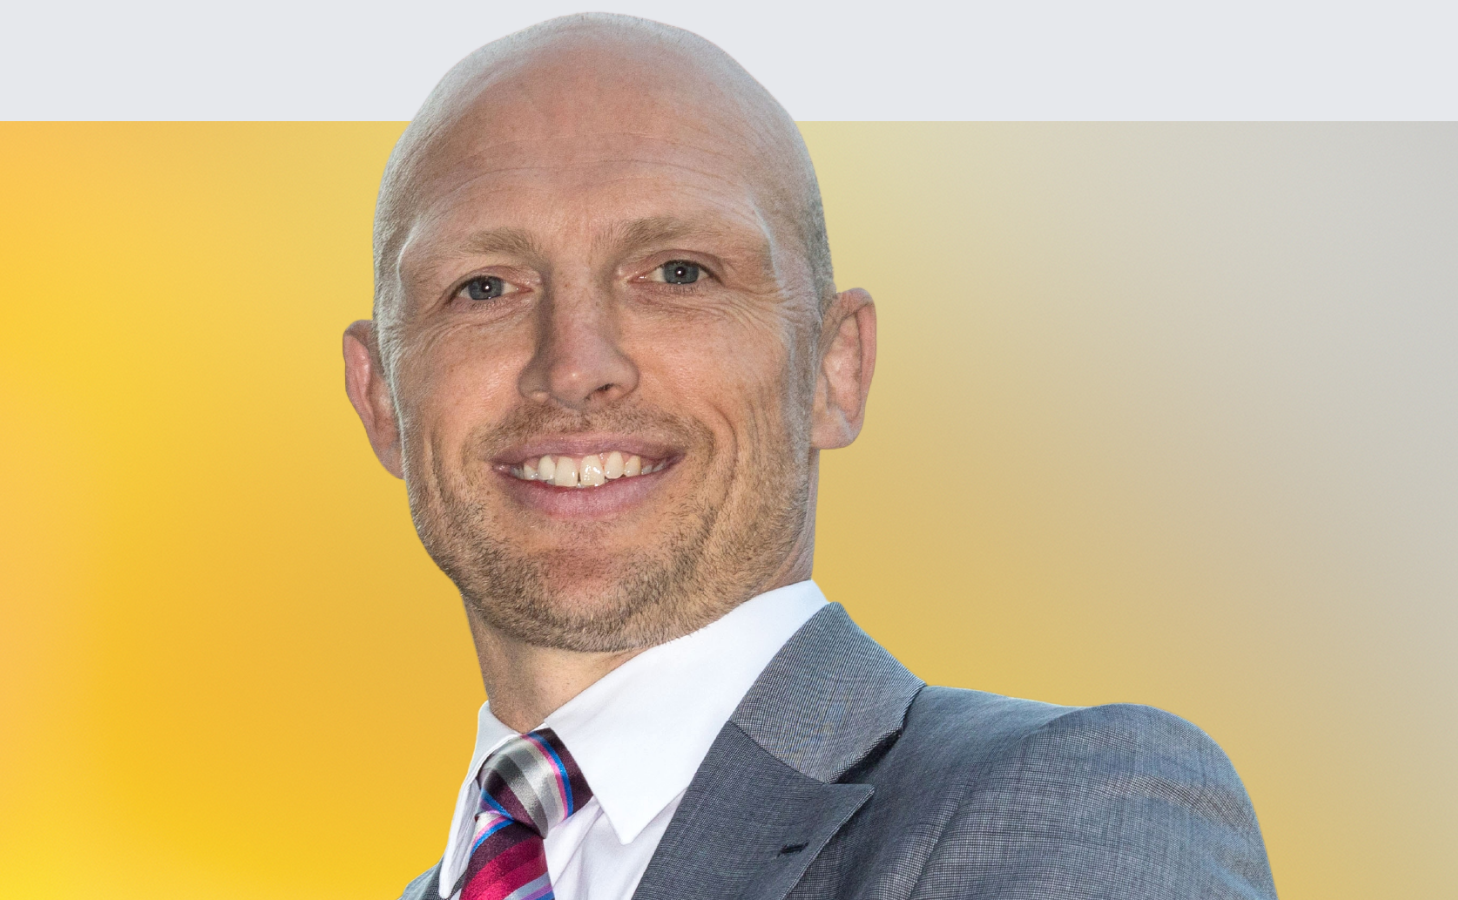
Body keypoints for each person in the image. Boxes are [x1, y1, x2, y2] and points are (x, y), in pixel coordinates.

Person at [342, 13, 1275, 900]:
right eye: (484, 287)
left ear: (836, 369)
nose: (576, 366)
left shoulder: (1073, 807)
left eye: (679, 273)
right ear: (380, 396)